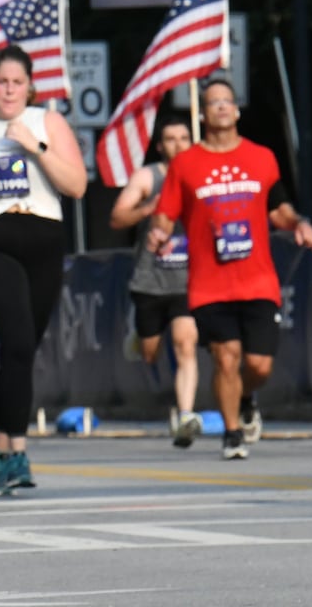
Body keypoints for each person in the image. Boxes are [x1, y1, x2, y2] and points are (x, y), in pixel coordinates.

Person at [148, 78, 312, 460]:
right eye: (213, 102)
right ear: (203, 114)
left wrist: (299, 224)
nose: (222, 107)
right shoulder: (186, 165)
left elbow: (278, 208)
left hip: (258, 279)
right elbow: (166, 213)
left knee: (258, 365)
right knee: (225, 356)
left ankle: (244, 398)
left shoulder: (261, 158)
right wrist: (158, 233)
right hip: (210, 284)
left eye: (227, 101)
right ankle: (231, 433)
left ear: (237, 111)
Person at [0, 45, 86, 493]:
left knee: (21, 351)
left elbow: (77, 186)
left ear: (30, 86)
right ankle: (17, 453)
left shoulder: (48, 122)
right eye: (1, 81)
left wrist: (36, 146)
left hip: (43, 241)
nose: (9, 90)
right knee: (19, 339)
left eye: (17, 82)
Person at [108, 114, 201, 447]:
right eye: (171, 139)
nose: (178, 145)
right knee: (149, 352)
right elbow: (117, 217)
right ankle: (141, 334)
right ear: (161, 146)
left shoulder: (201, 173)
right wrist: (149, 208)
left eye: (184, 138)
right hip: (150, 279)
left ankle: (186, 414)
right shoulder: (148, 177)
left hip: (188, 278)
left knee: (185, 343)